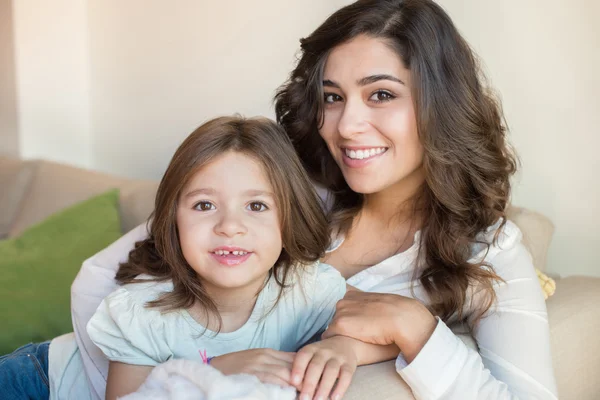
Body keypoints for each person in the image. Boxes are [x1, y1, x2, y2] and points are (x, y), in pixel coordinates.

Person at [72, 0, 558, 399]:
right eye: (332, 97)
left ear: (441, 104)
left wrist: (416, 328)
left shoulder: (490, 253)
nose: (345, 126)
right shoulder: (279, 185)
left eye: (381, 95)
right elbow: (96, 281)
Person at [0, 117, 397, 400]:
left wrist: (344, 347)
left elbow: (388, 332)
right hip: (37, 379)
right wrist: (218, 368)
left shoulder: (309, 290)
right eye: (204, 205)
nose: (229, 226)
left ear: (288, 220)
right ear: (173, 221)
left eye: (256, 206)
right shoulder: (144, 309)